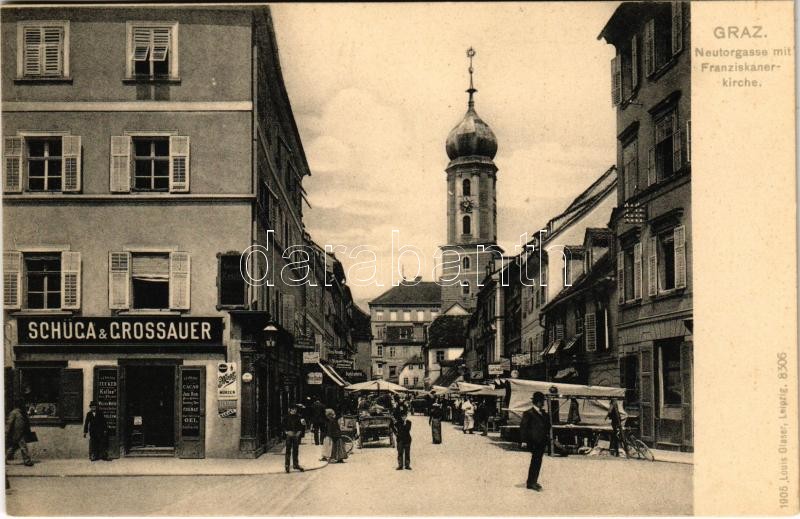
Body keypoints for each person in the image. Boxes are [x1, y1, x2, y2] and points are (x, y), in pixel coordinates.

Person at [520, 392, 551, 491]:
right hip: (533, 441)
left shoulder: (544, 413)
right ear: (538, 402)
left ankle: (533, 481)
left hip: (541, 441)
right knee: (535, 461)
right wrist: (524, 441)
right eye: (542, 402)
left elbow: (548, 425)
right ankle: (531, 482)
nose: (543, 403)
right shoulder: (528, 413)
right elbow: (523, 427)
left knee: (538, 461)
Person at [5, 399, 33, 467]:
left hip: (21, 433)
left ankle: (3, 459)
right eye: (22, 405)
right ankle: (27, 461)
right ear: (19, 405)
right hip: (17, 433)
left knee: (14, 447)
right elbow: (9, 423)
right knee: (23, 447)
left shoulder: (21, 412)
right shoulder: (14, 413)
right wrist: (6, 432)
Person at [282, 404, 305, 473]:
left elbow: (302, 426)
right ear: (290, 410)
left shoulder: (299, 417)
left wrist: (299, 433)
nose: (294, 410)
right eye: (293, 409)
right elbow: (283, 426)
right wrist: (286, 432)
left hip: (296, 435)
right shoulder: (286, 417)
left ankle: (295, 464)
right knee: (288, 450)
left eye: (295, 409)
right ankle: (287, 465)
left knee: (296, 450)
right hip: (289, 435)